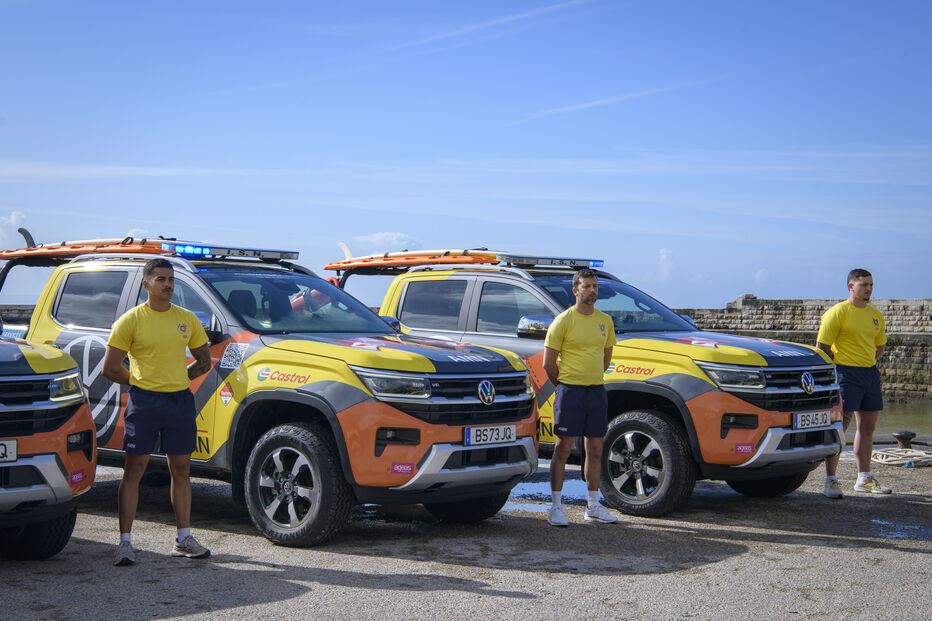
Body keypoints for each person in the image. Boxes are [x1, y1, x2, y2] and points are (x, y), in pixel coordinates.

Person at [103, 258, 213, 566]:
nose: (168, 284)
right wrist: (142, 382)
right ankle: (125, 543)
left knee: (181, 471)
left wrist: (179, 379)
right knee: (134, 470)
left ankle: (184, 538)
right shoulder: (131, 320)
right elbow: (110, 368)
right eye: (161, 279)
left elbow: (203, 361)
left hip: (179, 402)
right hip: (145, 402)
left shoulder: (187, 319)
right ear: (146, 284)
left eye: (171, 280)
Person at [542, 268, 618, 526]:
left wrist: (591, 378)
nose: (592, 290)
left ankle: (593, 506)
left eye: (595, 286)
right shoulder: (563, 321)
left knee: (595, 449)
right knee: (562, 448)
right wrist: (564, 385)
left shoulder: (605, 321)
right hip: (570, 391)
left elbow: (606, 359)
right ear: (575, 291)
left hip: (595, 391)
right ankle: (555, 507)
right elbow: (548, 363)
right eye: (586, 286)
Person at [817, 268, 890, 498]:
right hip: (845, 375)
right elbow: (822, 348)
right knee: (839, 428)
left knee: (867, 428)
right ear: (851, 286)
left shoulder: (876, 315)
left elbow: (879, 348)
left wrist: (864, 363)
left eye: (871, 285)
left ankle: (864, 479)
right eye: (864, 285)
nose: (869, 289)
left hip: (869, 374)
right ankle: (830, 481)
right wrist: (840, 370)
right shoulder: (837, 313)